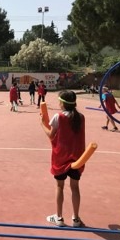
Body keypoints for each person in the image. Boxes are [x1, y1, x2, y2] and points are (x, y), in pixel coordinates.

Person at [40, 90, 85, 228]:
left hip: (61, 157)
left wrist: (42, 123)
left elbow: (51, 135)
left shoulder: (58, 117)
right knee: (75, 187)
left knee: (59, 186)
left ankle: (59, 217)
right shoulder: (81, 117)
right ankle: (76, 218)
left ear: (63, 103)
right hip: (77, 158)